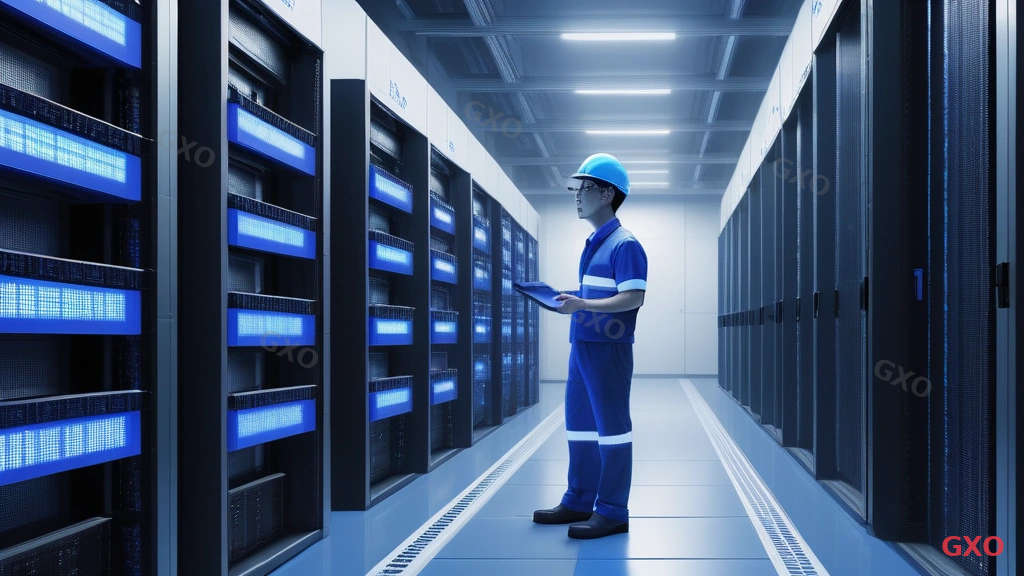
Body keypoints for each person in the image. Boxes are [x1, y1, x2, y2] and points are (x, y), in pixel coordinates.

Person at [532, 153, 648, 539]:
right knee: (580, 426)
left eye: (585, 188)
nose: (577, 195)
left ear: (607, 193)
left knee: (612, 430)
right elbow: (601, 293)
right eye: (577, 189)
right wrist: (575, 297)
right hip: (582, 345)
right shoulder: (596, 242)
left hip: (608, 349)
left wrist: (581, 304)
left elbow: (632, 298)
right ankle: (580, 499)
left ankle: (613, 510)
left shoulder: (625, 244)